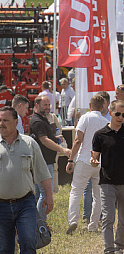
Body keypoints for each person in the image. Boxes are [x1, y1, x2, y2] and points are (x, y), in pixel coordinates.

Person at [91, 99, 124, 254]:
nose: (121, 117)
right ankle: (109, 249)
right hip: (107, 181)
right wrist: (93, 161)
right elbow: (95, 159)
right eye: (118, 114)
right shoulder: (100, 134)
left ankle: (119, 246)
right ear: (110, 113)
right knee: (108, 217)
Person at [0, 106, 53, 253]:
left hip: (25, 203)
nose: (1, 124)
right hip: (1, 206)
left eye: (5, 120)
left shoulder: (29, 143)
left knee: (28, 242)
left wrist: (49, 197)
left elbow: (43, 173)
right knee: (4, 248)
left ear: (16, 122)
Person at [66, 95, 108, 234]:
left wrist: (71, 159)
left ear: (90, 105)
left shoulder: (85, 118)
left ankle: (73, 220)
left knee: (76, 191)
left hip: (84, 160)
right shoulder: (105, 121)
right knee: (98, 195)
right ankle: (93, 225)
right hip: (100, 162)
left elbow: (78, 140)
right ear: (103, 107)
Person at [29, 95, 71, 224]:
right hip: (43, 162)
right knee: (44, 194)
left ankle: (36, 223)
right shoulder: (37, 121)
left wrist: (55, 137)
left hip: (44, 161)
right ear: (37, 106)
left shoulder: (43, 119)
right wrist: (62, 150)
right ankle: (41, 224)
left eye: (49, 105)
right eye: (44, 105)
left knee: (38, 195)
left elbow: (47, 137)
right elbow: (44, 140)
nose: (47, 108)